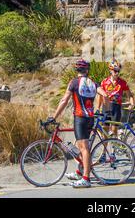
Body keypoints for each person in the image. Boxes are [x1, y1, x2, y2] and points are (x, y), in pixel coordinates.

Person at [48, 59, 107, 188]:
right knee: (81, 146)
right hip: (90, 118)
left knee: (84, 148)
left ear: (77, 70)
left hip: (80, 118)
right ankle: (80, 172)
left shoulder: (74, 83)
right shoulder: (93, 83)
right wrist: (99, 109)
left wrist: (54, 116)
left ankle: (86, 178)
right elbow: (104, 94)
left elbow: (64, 100)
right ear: (87, 70)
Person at [99, 59, 135, 137]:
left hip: (116, 107)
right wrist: (98, 108)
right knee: (105, 131)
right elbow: (100, 96)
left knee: (114, 131)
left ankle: (114, 148)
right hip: (106, 107)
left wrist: (132, 104)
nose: (117, 73)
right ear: (110, 70)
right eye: (115, 71)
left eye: (118, 71)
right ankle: (105, 149)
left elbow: (130, 95)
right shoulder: (104, 82)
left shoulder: (122, 82)